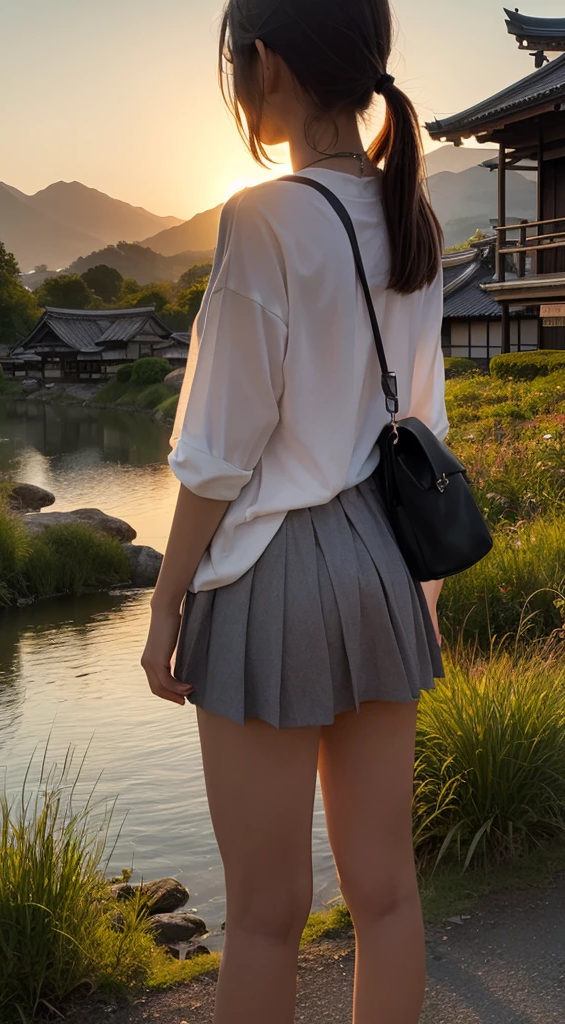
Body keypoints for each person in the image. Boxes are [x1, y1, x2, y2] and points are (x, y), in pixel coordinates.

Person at [142, 0, 448, 1021]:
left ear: (264, 63)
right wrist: (424, 596)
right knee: (388, 896)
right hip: (381, 566)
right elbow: (422, 425)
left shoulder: (260, 218)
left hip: (271, 574)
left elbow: (221, 453)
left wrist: (163, 603)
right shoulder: (411, 217)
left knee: (266, 914)